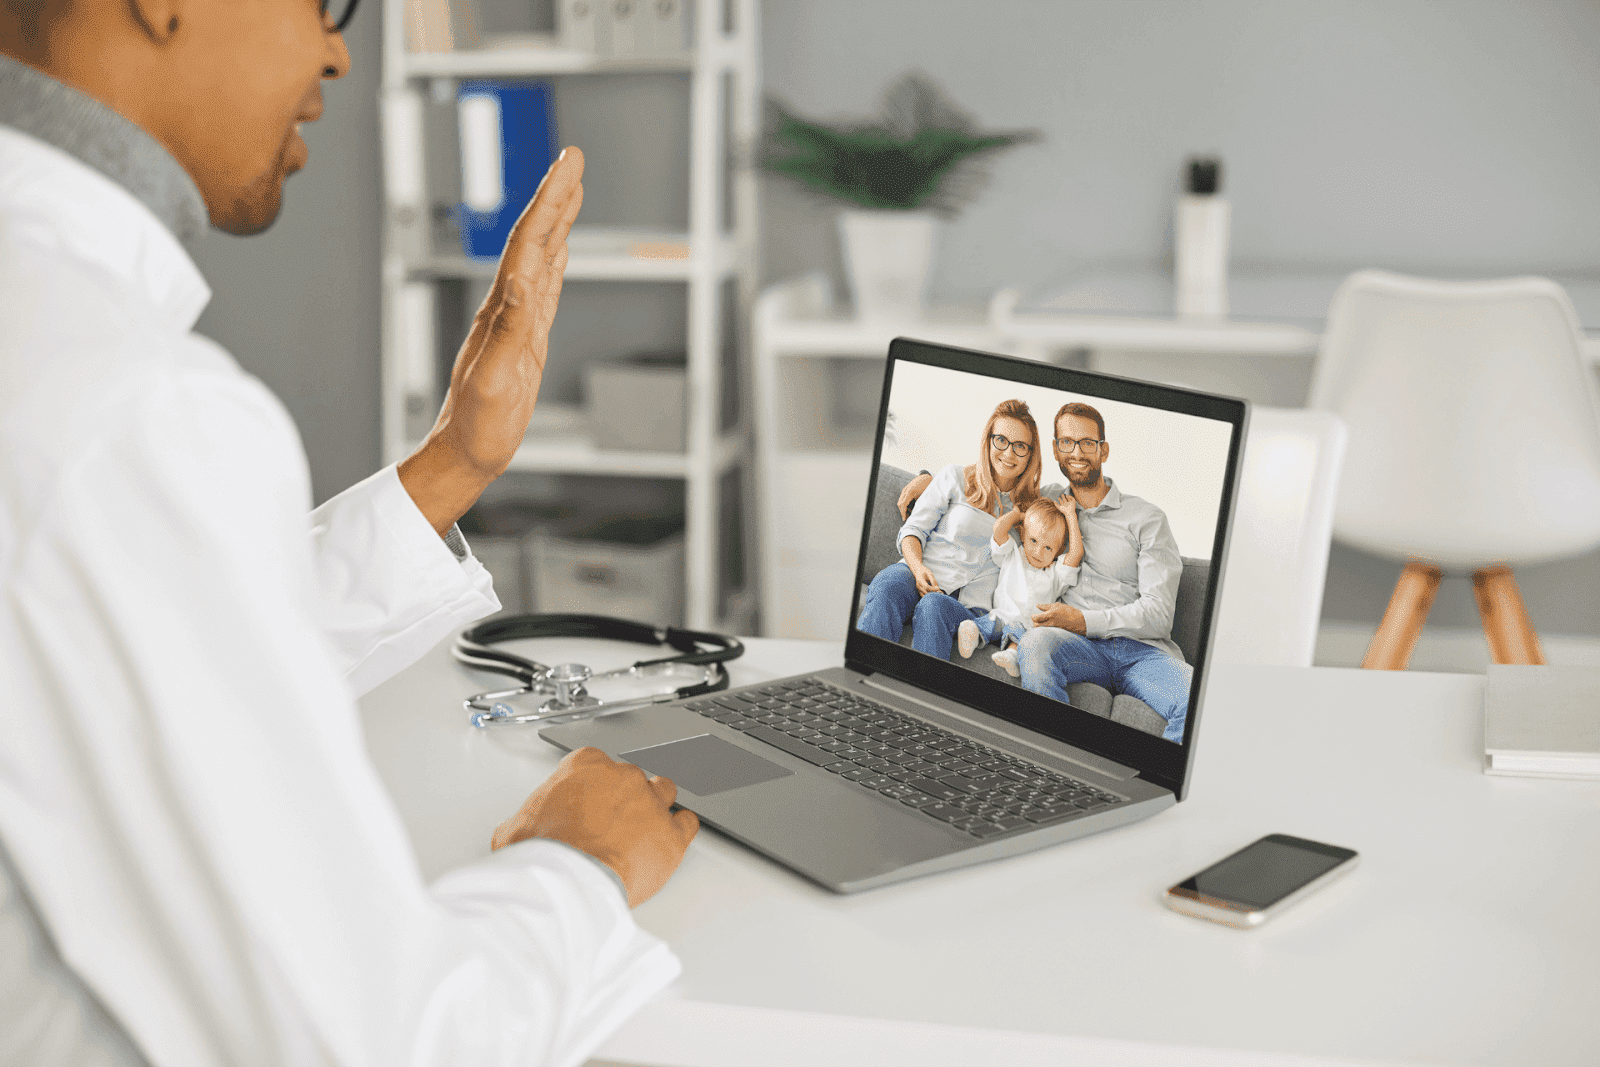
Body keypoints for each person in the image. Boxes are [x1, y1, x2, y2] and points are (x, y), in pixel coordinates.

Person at [1, 5, 696, 1066]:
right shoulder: (130, 408)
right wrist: (574, 866)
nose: (334, 48)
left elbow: (132, 652)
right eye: (321, 3)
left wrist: (455, 462)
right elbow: (376, 1042)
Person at [899, 402, 1191, 742]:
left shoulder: (1147, 519)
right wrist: (926, 477)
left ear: (1104, 450)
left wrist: (1081, 619)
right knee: (1034, 644)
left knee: (1196, 698)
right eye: (1066, 442)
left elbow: (1159, 613)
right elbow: (994, 486)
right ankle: (1050, 769)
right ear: (1055, 449)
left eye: (1087, 443)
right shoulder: (1046, 502)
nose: (1076, 452)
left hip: (1140, 651)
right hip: (1072, 645)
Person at [856, 399, 1042, 658]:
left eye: (1020, 446)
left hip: (969, 607)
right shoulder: (955, 477)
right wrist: (918, 570)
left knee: (933, 606)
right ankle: (861, 680)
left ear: (1031, 454)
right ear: (988, 441)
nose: (1009, 453)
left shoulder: (1033, 511)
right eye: (1001, 440)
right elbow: (913, 531)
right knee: (887, 584)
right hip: (919, 573)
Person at [955, 496, 1083, 675]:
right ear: (1022, 534)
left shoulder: (1055, 574)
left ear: (1059, 551)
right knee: (988, 622)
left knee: (1017, 633)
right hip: (1001, 616)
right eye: (1033, 541)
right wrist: (1017, 515)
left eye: (1048, 548)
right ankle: (973, 634)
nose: (1038, 552)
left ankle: (1011, 656)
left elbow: (1076, 553)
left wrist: (1070, 516)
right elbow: (999, 530)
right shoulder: (1012, 553)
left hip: (1028, 631)